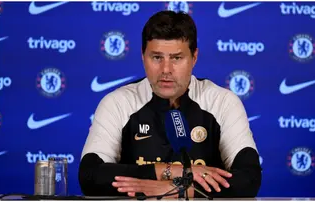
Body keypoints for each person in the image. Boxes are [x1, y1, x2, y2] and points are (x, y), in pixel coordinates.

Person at [78, 10, 262, 198]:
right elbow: (90, 176)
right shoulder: (118, 103)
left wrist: (179, 190)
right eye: (157, 57)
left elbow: (249, 178)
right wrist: (171, 172)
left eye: (176, 58)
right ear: (143, 56)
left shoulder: (222, 102)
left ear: (194, 57)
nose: (166, 70)